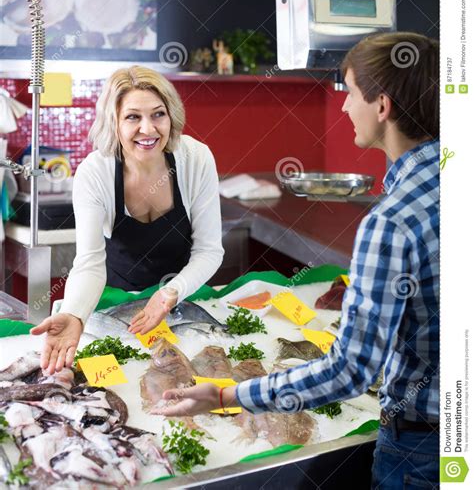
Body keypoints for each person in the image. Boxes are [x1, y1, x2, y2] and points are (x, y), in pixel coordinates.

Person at [156, 32, 440, 489]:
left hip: (424, 450)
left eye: (349, 93)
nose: (344, 107)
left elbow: (350, 372)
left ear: (382, 106)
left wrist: (225, 394)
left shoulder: (392, 221)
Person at [31, 66, 224, 374]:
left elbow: (210, 251)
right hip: (119, 305)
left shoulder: (196, 158)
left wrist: (170, 293)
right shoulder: (95, 173)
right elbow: (90, 262)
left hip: (184, 299)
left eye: (158, 114)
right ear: (114, 123)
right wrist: (75, 314)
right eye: (133, 117)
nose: (148, 129)